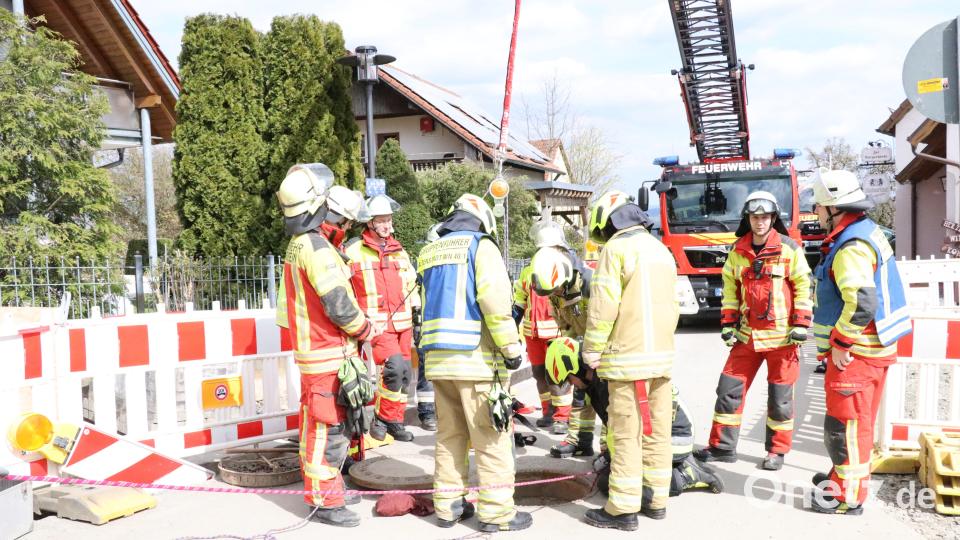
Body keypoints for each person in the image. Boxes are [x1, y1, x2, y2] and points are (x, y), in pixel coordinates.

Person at [275, 164, 381, 528]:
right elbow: (339, 307)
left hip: (316, 355)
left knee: (321, 429)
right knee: (328, 431)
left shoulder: (299, 245)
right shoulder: (317, 249)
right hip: (328, 356)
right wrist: (367, 329)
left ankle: (327, 490)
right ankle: (326, 501)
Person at [418, 194, 531, 532]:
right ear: (482, 221)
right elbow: (494, 302)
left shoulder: (429, 251)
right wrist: (511, 349)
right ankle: (497, 515)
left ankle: (448, 506)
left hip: (437, 361)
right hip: (476, 361)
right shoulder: (481, 247)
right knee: (490, 439)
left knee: (449, 436)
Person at [809, 169, 911, 515]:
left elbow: (863, 302)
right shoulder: (864, 232)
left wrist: (840, 343)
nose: (815, 212)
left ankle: (846, 496)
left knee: (845, 427)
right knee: (857, 422)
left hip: (856, 355)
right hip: (874, 350)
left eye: (818, 206)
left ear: (833, 208)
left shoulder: (850, 246)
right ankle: (842, 477)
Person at [580, 190, 678, 530]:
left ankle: (622, 509)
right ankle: (656, 499)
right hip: (661, 361)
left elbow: (603, 307)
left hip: (627, 361)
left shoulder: (616, 249)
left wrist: (591, 350)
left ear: (608, 222)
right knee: (657, 431)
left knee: (626, 434)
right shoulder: (660, 249)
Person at [694, 191, 812, 472]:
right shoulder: (738, 251)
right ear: (748, 219)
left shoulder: (789, 249)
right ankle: (722, 447)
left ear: (773, 219)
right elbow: (731, 291)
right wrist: (727, 324)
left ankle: (776, 451)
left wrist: (800, 324)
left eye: (765, 217)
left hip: (783, 337)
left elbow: (804, 286)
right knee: (728, 391)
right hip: (747, 336)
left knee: (780, 398)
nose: (760, 222)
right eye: (755, 217)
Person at [545, 338, 723, 498]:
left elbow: (626, 428)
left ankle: (686, 475)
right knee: (609, 472)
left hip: (672, 437)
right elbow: (613, 423)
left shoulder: (607, 381)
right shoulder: (597, 380)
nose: (571, 385)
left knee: (614, 485)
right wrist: (609, 456)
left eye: (569, 380)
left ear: (576, 368)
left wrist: (616, 461)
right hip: (655, 432)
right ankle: (678, 465)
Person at [345, 194, 423, 441]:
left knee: (404, 375)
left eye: (389, 220)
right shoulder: (353, 251)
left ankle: (395, 421)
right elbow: (343, 286)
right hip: (377, 324)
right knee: (393, 368)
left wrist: (417, 313)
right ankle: (382, 417)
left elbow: (411, 283)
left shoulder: (399, 251)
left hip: (403, 322)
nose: (388, 225)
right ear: (370, 223)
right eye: (382, 221)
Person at [526, 232, 597, 458]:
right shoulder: (555, 286)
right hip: (582, 345)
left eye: (556, 291)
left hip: (602, 349)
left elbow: (606, 320)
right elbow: (565, 322)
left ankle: (609, 451)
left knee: (607, 402)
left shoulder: (590, 284)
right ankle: (580, 441)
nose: (554, 295)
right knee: (581, 395)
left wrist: (593, 353)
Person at [513, 230, 568, 434]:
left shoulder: (561, 270)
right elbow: (520, 299)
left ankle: (562, 416)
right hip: (533, 334)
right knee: (539, 374)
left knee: (558, 375)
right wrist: (513, 325)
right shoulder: (527, 272)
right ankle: (548, 412)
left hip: (556, 333)